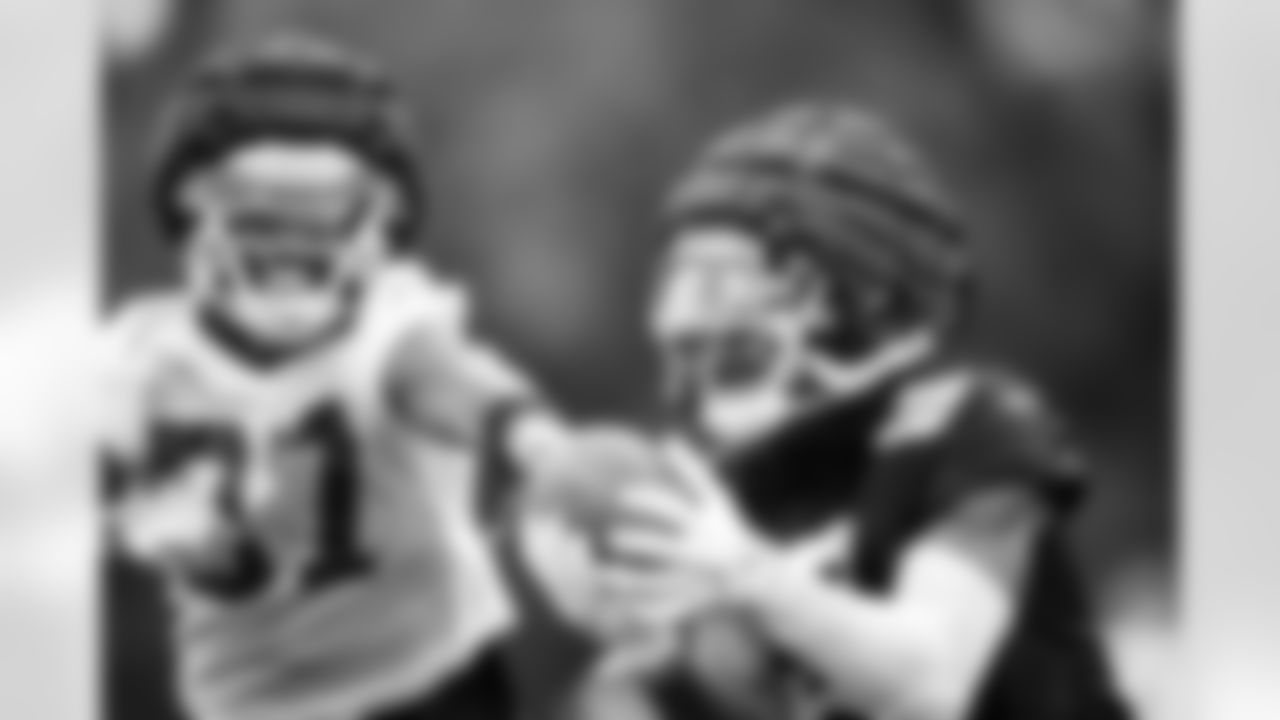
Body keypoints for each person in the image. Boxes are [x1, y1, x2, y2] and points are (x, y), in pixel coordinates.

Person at [99, 34, 637, 720]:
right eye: (260, 206)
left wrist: (530, 437)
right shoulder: (144, 361)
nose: (291, 239)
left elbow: (442, 381)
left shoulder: (388, 327)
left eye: (323, 206)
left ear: (385, 221)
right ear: (191, 207)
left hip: (426, 681)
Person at [537, 103, 1134, 720]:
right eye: (679, 276)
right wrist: (647, 649)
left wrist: (753, 581)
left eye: (719, 278)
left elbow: (930, 687)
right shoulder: (729, 503)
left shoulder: (959, 424)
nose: (684, 316)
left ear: (866, 294)